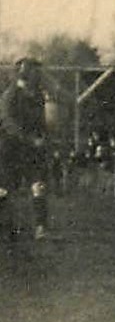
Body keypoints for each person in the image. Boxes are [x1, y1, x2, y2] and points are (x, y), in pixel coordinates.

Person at [0, 56, 52, 243]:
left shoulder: (38, 96)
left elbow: (42, 122)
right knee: (5, 189)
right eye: (34, 71)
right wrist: (30, 139)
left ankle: (40, 228)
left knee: (38, 186)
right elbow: (8, 124)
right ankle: (6, 227)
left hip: (31, 149)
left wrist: (45, 137)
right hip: (10, 148)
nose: (37, 75)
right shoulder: (10, 95)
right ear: (24, 73)